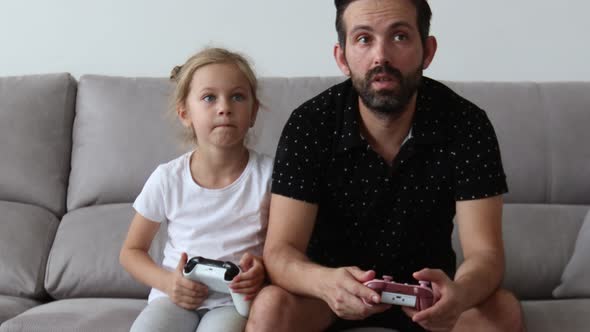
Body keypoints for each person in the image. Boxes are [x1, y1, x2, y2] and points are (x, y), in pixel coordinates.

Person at [246, 0, 525, 331]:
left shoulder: (467, 124)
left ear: (428, 51)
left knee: (504, 311)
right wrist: (324, 283)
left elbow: (486, 255)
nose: (381, 56)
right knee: (270, 307)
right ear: (342, 57)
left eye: (400, 37)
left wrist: (460, 294)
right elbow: (280, 252)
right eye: (364, 39)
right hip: (330, 298)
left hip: (427, 302)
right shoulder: (310, 124)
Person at [119, 47, 272, 332]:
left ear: (253, 112)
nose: (224, 107)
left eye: (237, 96)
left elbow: (285, 248)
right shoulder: (167, 178)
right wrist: (168, 283)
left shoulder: (269, 177)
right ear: (185, 113)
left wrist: (261, 269)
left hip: (233, 302)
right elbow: (131, 252)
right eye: (209, 98)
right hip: (173, 298)